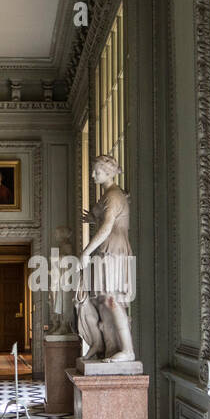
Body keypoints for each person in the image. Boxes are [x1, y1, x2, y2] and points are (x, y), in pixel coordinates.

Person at [75, 154, 135, 361]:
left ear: (108, 173)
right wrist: (94, 217)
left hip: (114, 250)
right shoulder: (108, 195)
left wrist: (86, 251)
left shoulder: (113, 196)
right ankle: (108, 348)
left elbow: (108, 227)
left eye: (97, 171)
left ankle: (127, 350)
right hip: (106, 251)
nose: (93, 175)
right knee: (102, 301)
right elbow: (107, 220)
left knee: (112, 300)